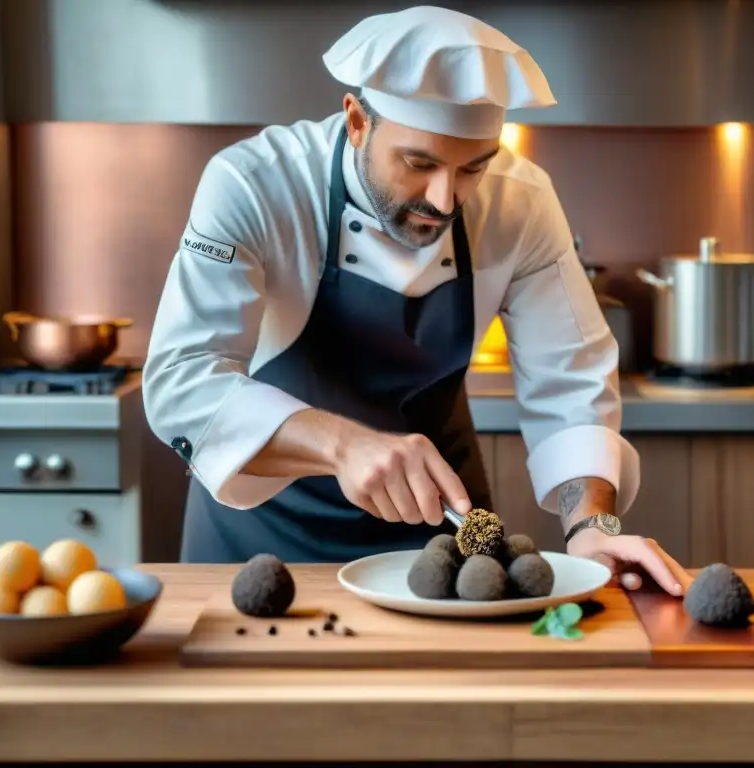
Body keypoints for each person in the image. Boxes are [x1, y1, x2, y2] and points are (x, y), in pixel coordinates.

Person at [142, 6, 689, 595]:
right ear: (357, 122)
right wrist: (345, 445)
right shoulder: (254, 183)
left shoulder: (522, 202)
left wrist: (592, 525)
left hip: (439, 533)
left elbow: (571, 383)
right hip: (260, 534)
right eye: (419, 163)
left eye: (473, 168)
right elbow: (182, 378)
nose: (444, 198)